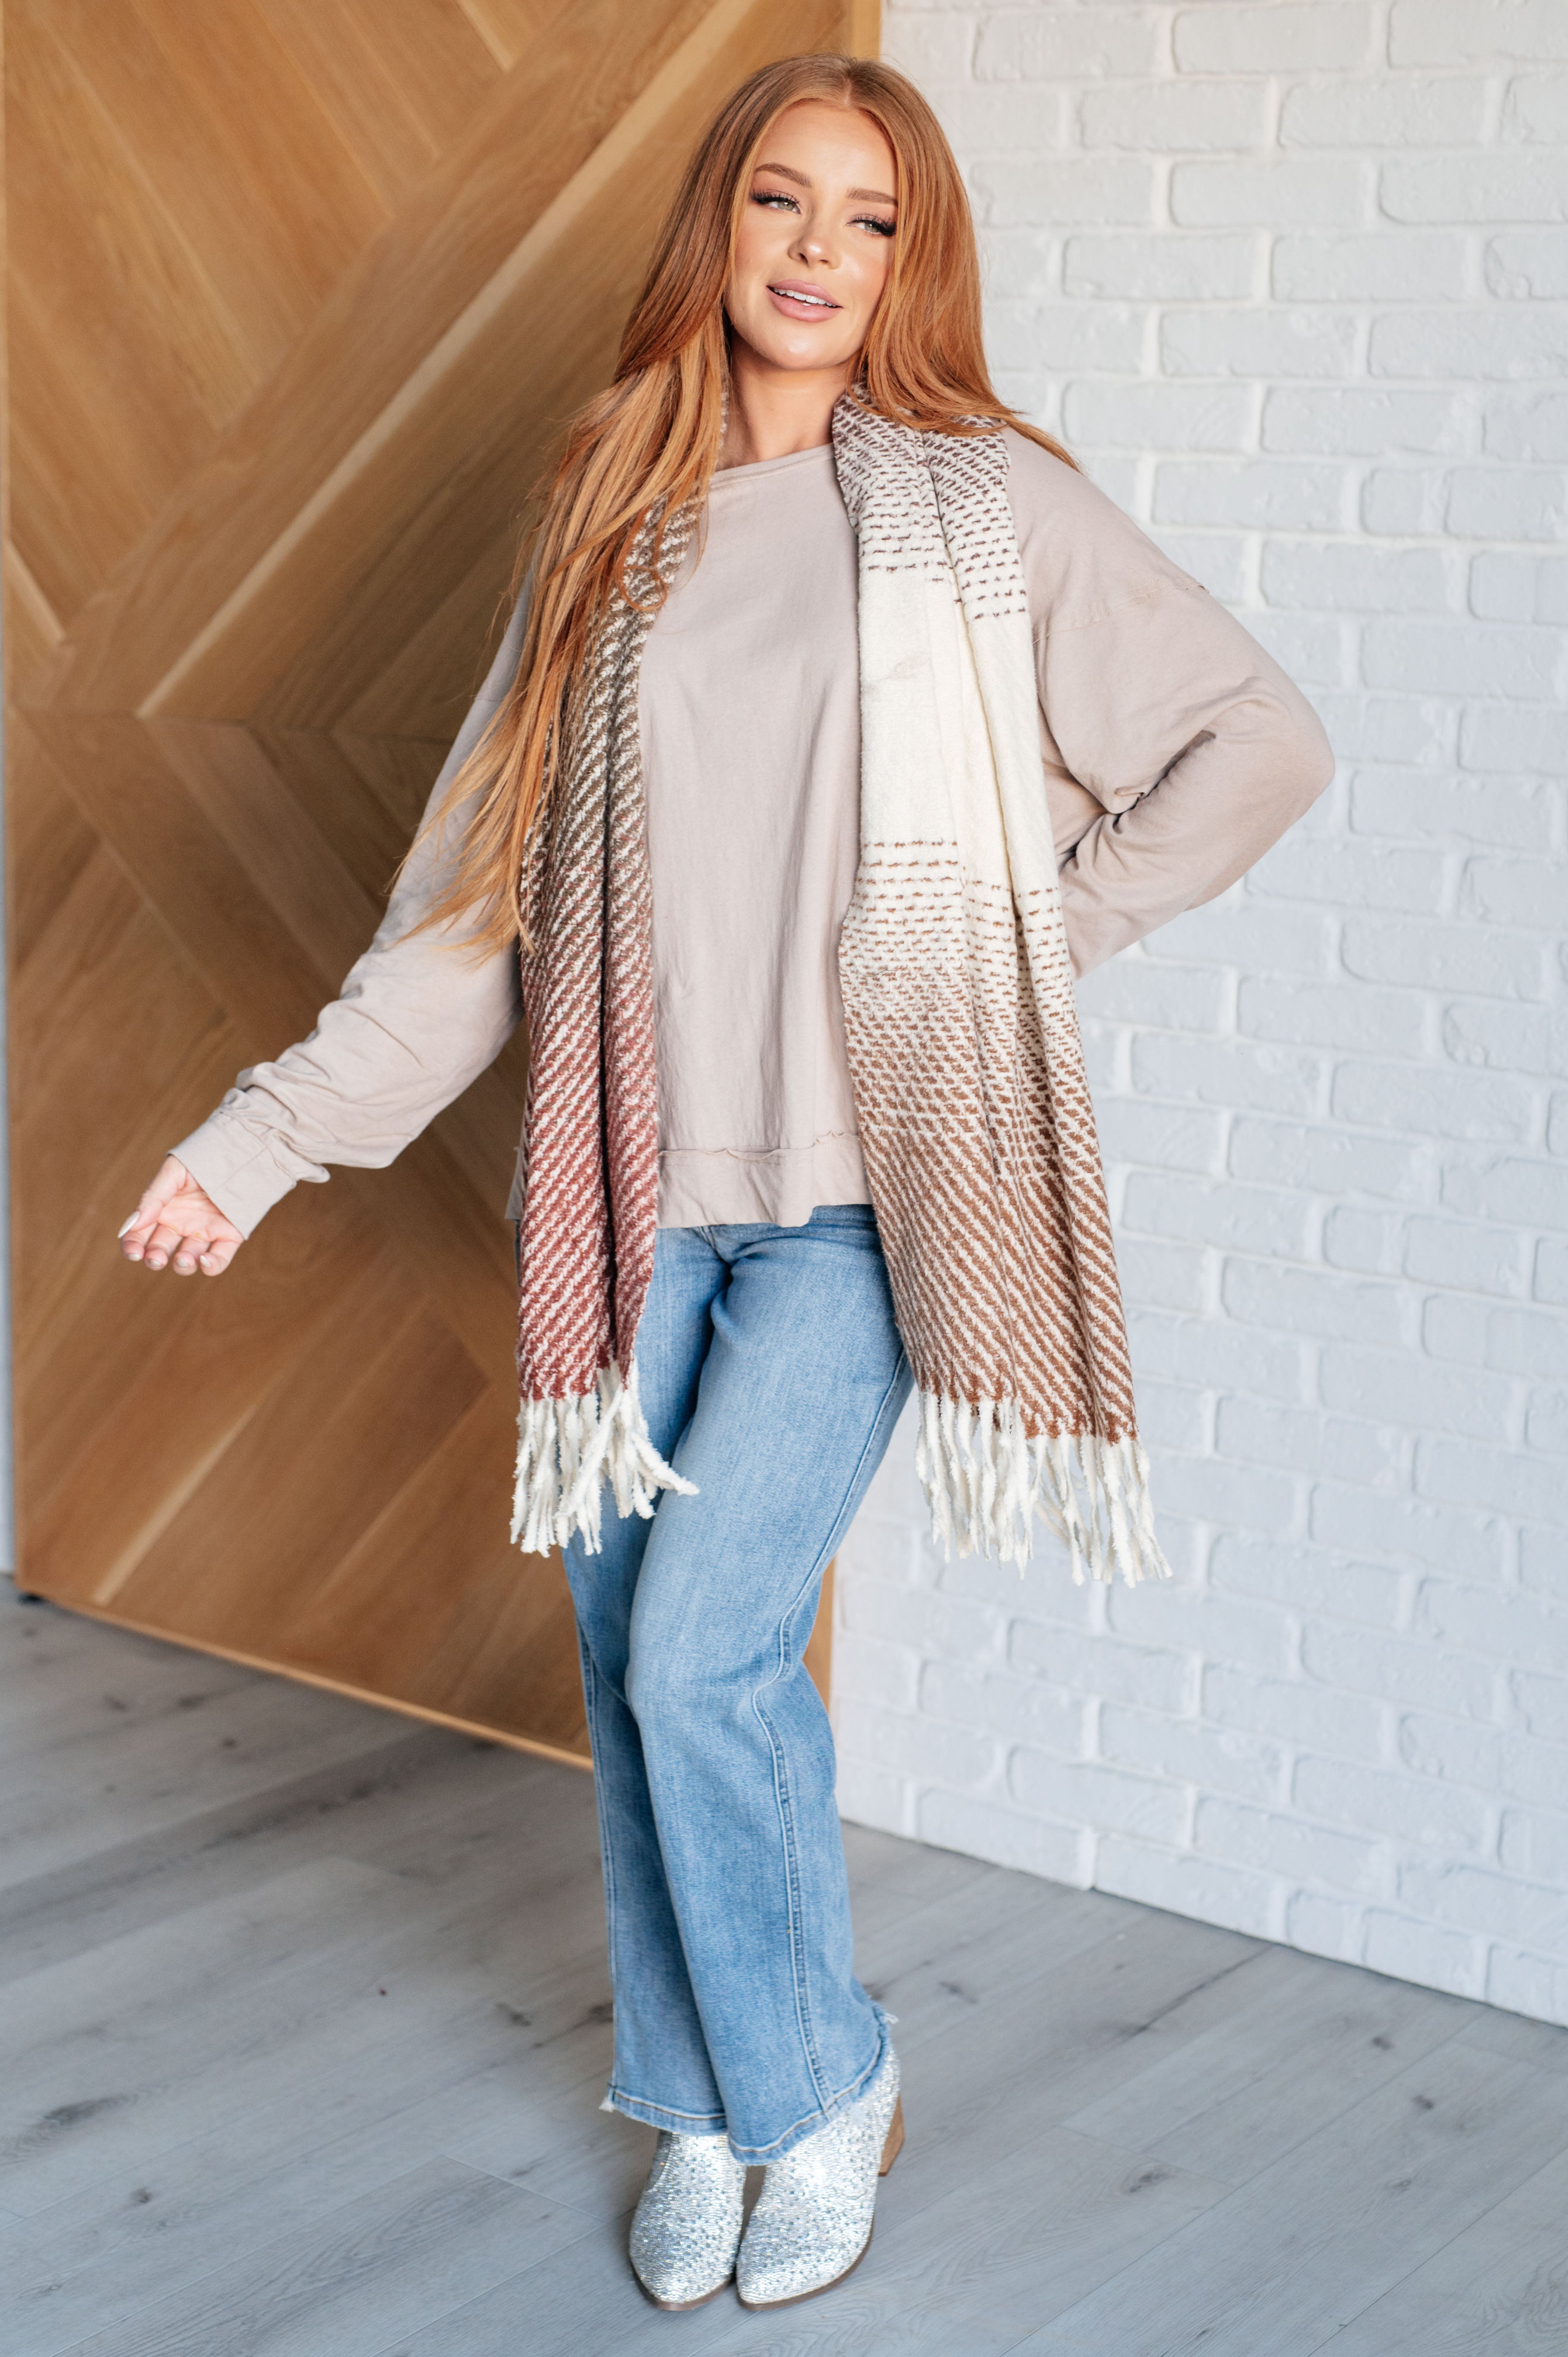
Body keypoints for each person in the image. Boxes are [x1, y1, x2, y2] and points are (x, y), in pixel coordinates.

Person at [118, 53, 1333, 2312]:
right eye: (781, 200)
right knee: (628, 1653)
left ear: (915, 260)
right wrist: (262, 1133)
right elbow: (478, 903)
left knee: (703, 1648)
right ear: (720, 222)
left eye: (869, 220)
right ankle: (689, 2094)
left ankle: (817, 2081)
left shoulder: (978, 509)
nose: (815, 252)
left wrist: (1023, 933)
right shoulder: (616, 502)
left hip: (874, 1192)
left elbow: (1257, 738)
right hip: (636, 1192)